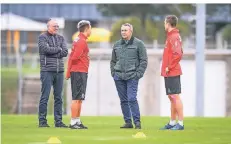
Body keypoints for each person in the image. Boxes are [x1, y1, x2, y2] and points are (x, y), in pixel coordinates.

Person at [110, 23, 148, 129]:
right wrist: (113, 73)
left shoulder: (139, 44)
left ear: (131, 31)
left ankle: (137, 122)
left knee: (132, 98)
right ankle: (128, 122)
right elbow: (113, 61)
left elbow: (144, 60)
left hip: (132, 76)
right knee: (123, 100)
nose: (123, 32)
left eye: (125, 30)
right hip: (118, 76)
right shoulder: (117, 44)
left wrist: (138, 74)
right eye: (122, 30)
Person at [38, 19, 68, 128]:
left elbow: (65, 52)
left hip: (59, 71)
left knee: (59, 97)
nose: (56, 28)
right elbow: (45, 49)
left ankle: (58, 122)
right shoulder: (42, 37)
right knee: (45, 97)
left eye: (57, 26)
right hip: (47, 71)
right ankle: (42, 121)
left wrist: (54, 50)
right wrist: (58, 50)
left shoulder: (61, 38)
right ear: (48, 26)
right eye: (54, 26)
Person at [66, 20, 92, 129]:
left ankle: (77, 121)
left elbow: (73, 56)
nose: (91, 30)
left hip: (80, 71)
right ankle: (73, 122)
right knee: (76, 98)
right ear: (87, 29)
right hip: (79, 72)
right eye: (90, 28)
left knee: (80, 98)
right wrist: (69, 72)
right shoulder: (81, 41)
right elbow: (74, 57)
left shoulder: (79, 39)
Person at [160, 15, 184, 130]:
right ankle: (172, 122)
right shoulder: (170, 36)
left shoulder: (174, 36)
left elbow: (178, 54)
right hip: (168, 72)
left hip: (172, 71)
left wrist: (169, 67)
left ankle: (180, 123)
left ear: (168, 24)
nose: (164, 25)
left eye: (165, 23)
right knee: (171, 97)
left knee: (175, 96)